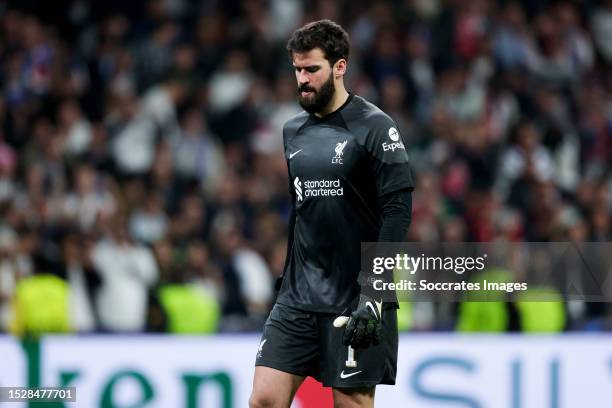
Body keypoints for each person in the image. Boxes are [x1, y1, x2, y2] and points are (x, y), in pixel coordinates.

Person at [250, 20, 414, 407]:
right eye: (297, 70)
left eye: (312, 69)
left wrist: (374, 291)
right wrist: (287, 275)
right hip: (297, 297)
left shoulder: (375, 128)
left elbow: (397, 212)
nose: (302, 79)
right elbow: (303, 210)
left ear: (340, 67)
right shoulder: (293, 132)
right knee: (263, 400)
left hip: (355, 297)